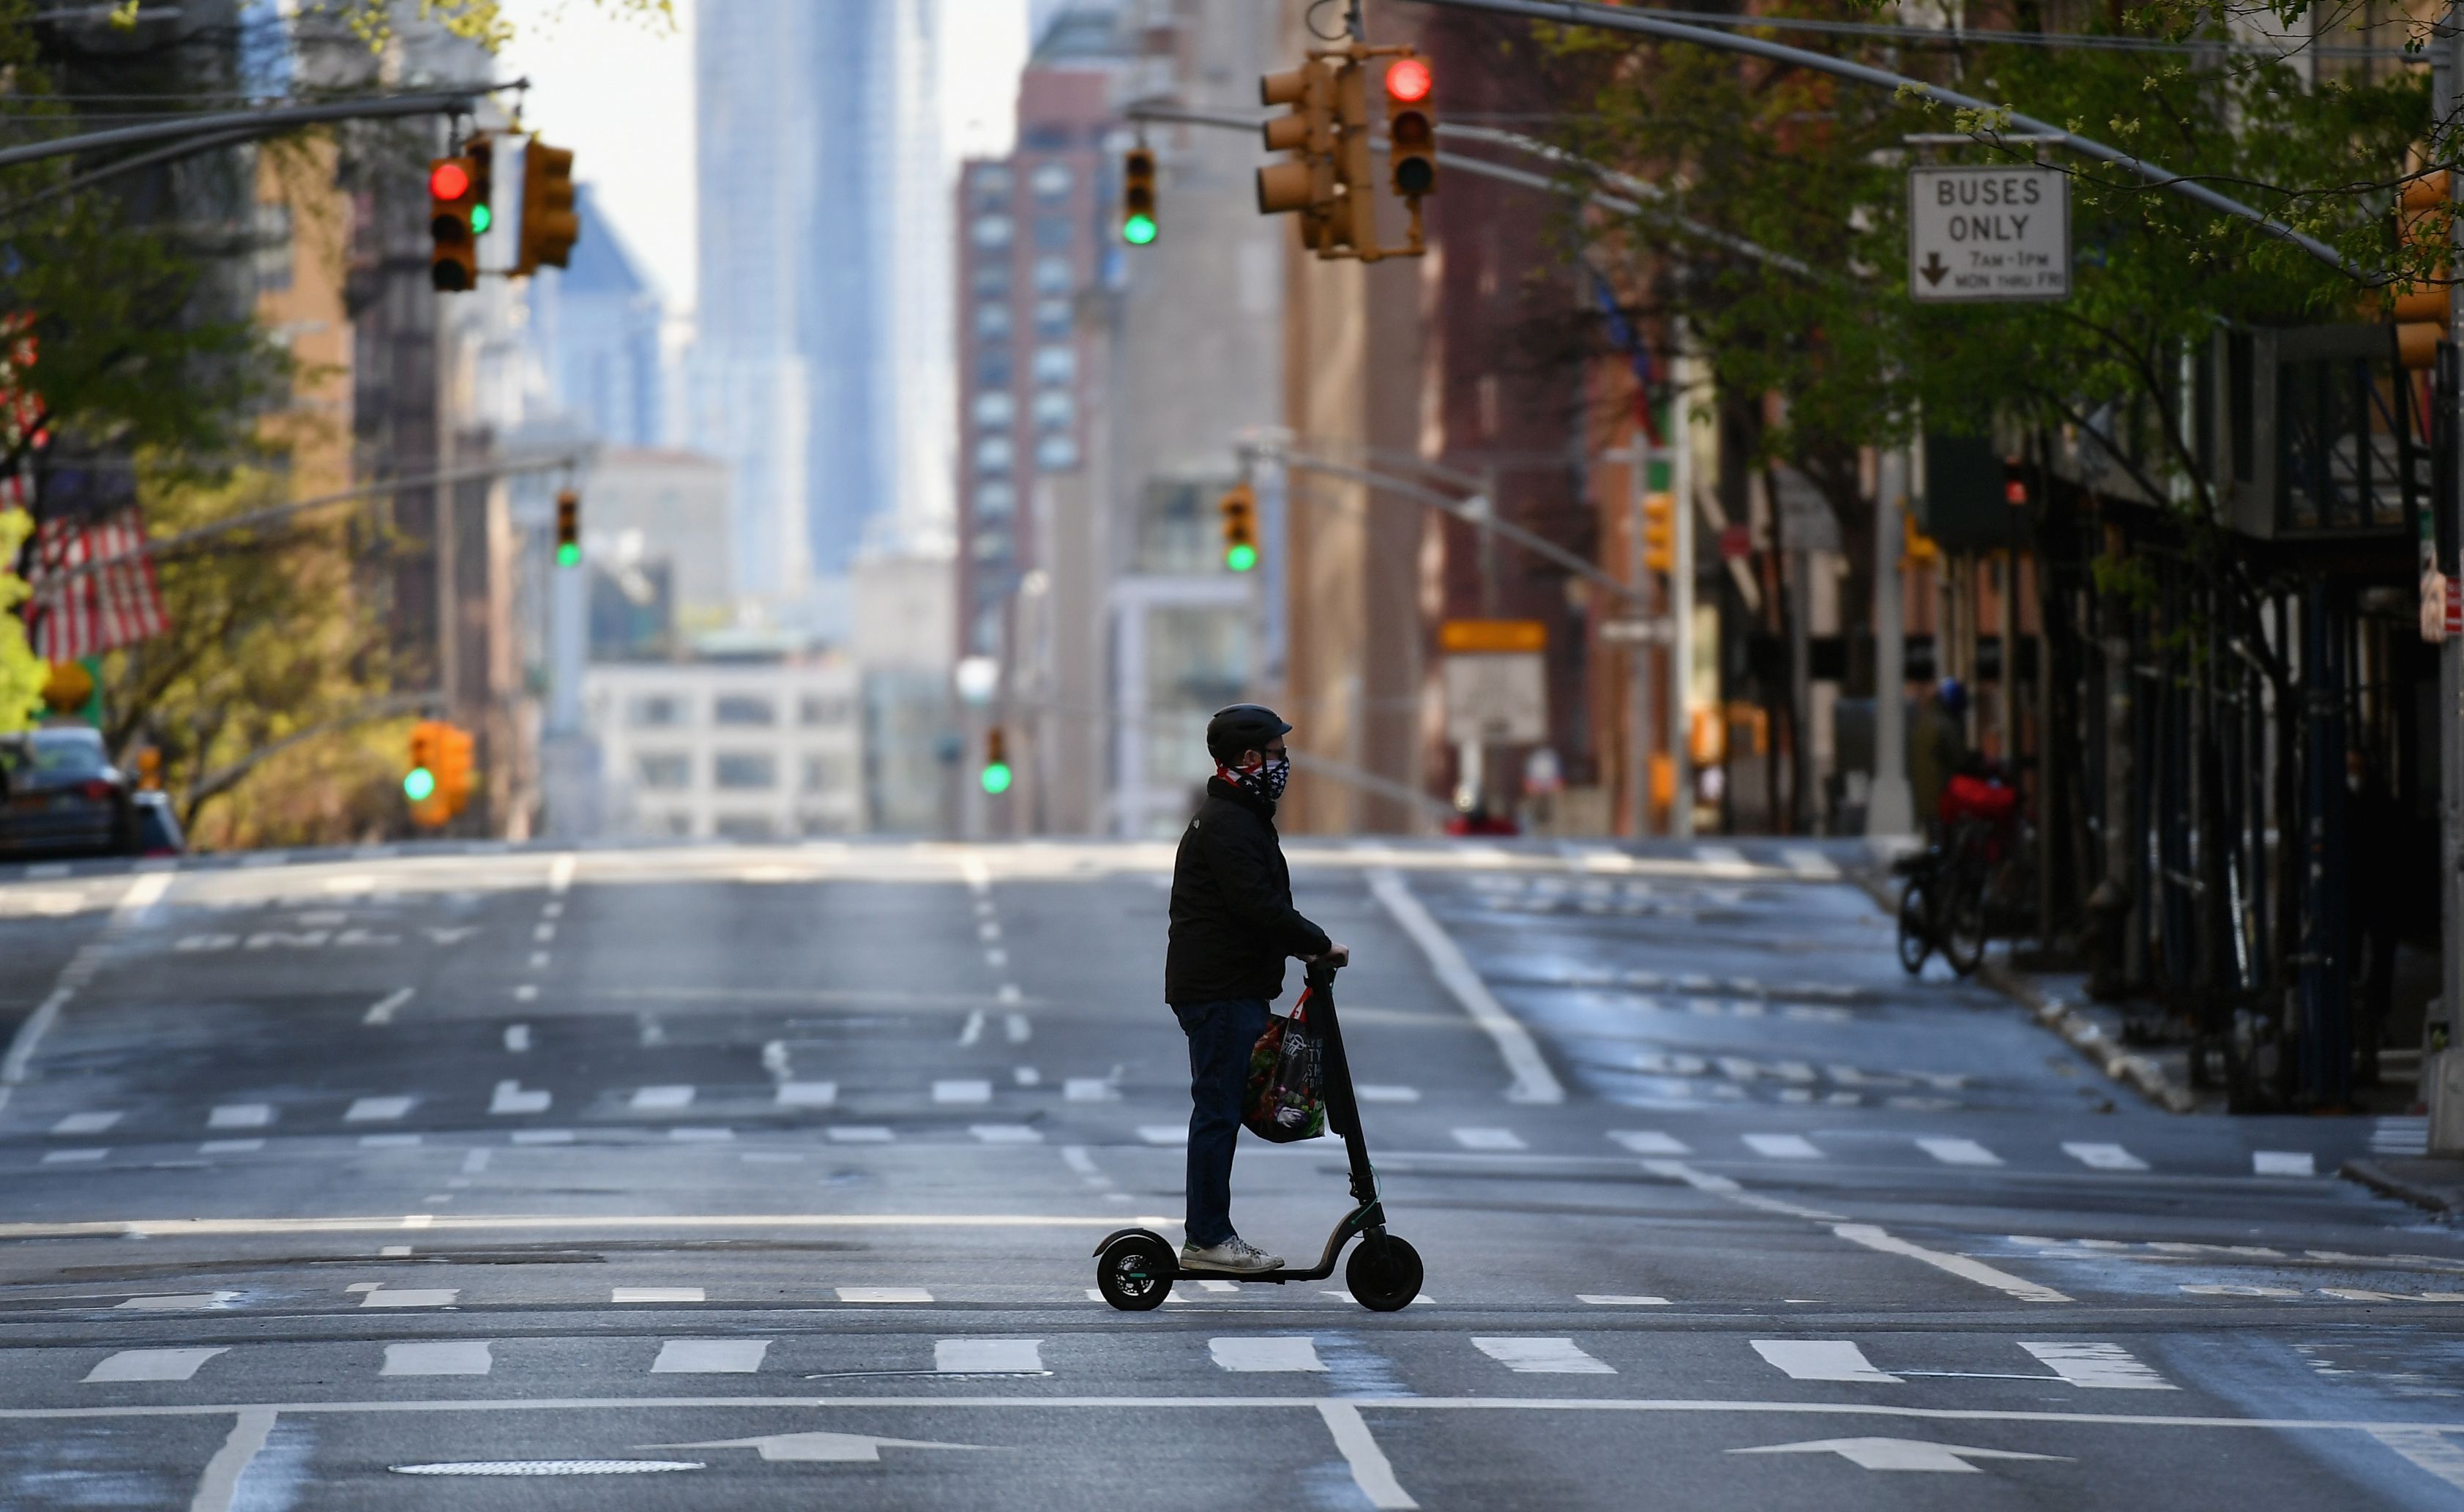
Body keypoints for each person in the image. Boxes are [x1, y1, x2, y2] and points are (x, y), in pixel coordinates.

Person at [1165, 704, 1348, 1274]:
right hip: (1219, 991)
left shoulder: (1239, 817)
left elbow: (1260, 907)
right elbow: (1258, 906)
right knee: (1217, 1110)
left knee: (1224, 1107)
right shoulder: (1228, 824)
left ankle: (1211, 1234)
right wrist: (1317, 942)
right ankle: (1208, 1239)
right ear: (1249, 759)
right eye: (1277, 754)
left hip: (1230, 988)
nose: (1283, 764)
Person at [1908, 677, 1970, 840]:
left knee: (1934, 835)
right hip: (1942, 794)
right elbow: (1959, 759)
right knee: (1946, 835)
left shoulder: (1926, 721)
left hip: (1925, 796)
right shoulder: (1945, 724)